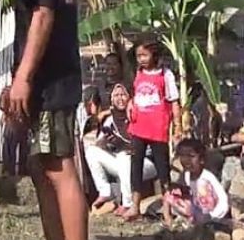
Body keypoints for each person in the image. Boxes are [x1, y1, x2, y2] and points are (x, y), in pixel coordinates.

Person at [3, 0, 88, 240]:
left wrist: (24, 77)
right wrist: (18, 77)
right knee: (42, 166)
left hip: (52, 80)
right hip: (43, 78)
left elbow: (43, 15)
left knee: (58, 166)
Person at [123, 40, 180, 222]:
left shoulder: (166, 75)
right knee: (135, 166)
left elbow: (174, 102)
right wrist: (131, 103)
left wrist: (178, 126)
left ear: (154, 55)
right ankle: (135, 206)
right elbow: (134, 94)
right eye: (138, 56)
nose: (141, 59)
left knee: (163, 169)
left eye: (144, 55)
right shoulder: (137, 73)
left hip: (158, 128)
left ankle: (167, 210)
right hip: (138, 127)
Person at [84, 83, 157, 216]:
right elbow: (99, 143)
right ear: (111, 100)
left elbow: (148, 148)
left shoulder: (139, 116)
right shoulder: (110, 121)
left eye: (123, 94)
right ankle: (105, 191)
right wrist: (105, 142)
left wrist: (126, 146)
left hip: (144, 163)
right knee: (92, 151)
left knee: (124, 157)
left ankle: (127, 203)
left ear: (130, 97)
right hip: (123, 164)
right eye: (116, 95)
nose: (120, 98)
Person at [162, 138, 229, 227]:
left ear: (202, 160)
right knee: (169, 194)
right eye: (183, 156)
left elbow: (220, 201)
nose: (186, 160)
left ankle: (200, 224)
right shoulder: (187, 174)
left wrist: (210, 217)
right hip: (196, 207)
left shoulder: (205, 179)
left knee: (200, 191)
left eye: (191, 156)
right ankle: (167, 219)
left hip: (211, 214)